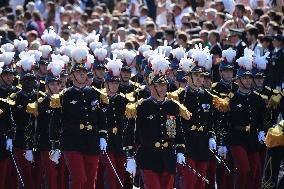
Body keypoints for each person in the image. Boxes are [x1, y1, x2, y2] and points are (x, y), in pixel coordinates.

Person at [124, 53, 189, 189]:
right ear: (151, 86)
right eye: (159, 85)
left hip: (168, 158)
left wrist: (181, 150)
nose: (163, 88)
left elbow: (178, 131)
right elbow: (130, 133)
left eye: (164, 84)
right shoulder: (141, 106)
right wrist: (130, 157)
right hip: (148, 158)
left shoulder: (172, 105)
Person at [50, 45, 107, 189]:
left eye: (84, 71)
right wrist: (55, 145)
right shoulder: (64, 96)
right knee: (78, 178)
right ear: (71, 75)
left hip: (92, 141)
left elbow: (101, 118)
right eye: (78, 71)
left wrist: (102, 136)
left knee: (90, 181)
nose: (82, 74)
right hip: (72, 141)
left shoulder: (95, 93)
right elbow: (55, 122)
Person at [228, 48, 265, 189]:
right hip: (237, 137)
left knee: (255, 171)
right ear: (238, 80)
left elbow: (261, 118)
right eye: (245, 77)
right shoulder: (232, 98)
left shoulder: (257, 98)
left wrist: (262, 130)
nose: (248, 80)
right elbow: (226, 120)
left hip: (253, 137)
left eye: (250, 78)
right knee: (243, 169)